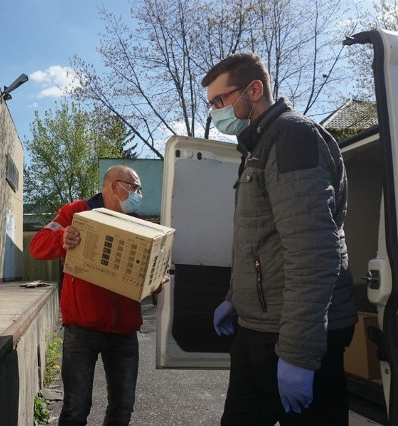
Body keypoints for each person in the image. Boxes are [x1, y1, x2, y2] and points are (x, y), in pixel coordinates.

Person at [204, 53, 358, 425]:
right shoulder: (256, 147)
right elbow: (260, 243)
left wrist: (299, 355)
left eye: (219, 101)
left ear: (254, 90)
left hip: (292, 337)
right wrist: (234, 299)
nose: (214, 112)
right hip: (258, 329)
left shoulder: (293, 137)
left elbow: (314, 253)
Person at [30, 165, 167, 426]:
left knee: (122, 408)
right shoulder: (76, 212)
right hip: (82, 330)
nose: (139, 194)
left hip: (124, 331)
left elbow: (145, 276)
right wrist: (62, 237)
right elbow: (37, 245)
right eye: (135, 188)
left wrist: (155, 282)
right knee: (75, 409)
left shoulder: (139, 225)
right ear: (115, 186)